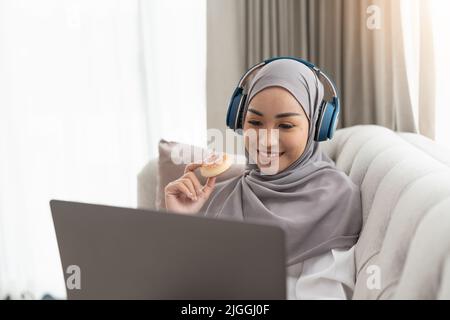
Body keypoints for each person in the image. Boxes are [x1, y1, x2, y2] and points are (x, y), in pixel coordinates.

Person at [164, 58, 363, 299]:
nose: (266, 141)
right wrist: (181, 223)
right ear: (239, 120)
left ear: (316, 128)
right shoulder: (220, 197)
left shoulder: (336, 199)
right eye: (255, 122)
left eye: (286, 125)